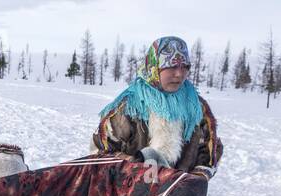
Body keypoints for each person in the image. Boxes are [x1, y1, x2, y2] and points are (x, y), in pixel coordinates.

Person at [93, 36, 222, 177]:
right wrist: (135, 163)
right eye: (171, 66)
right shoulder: (130, 106)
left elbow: (211, 150)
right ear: (155, 67)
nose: (179, 74)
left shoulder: (196, 106)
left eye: (185, 66)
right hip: (131, 193)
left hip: (181, 194)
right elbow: (101, 153)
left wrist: (196, 179)